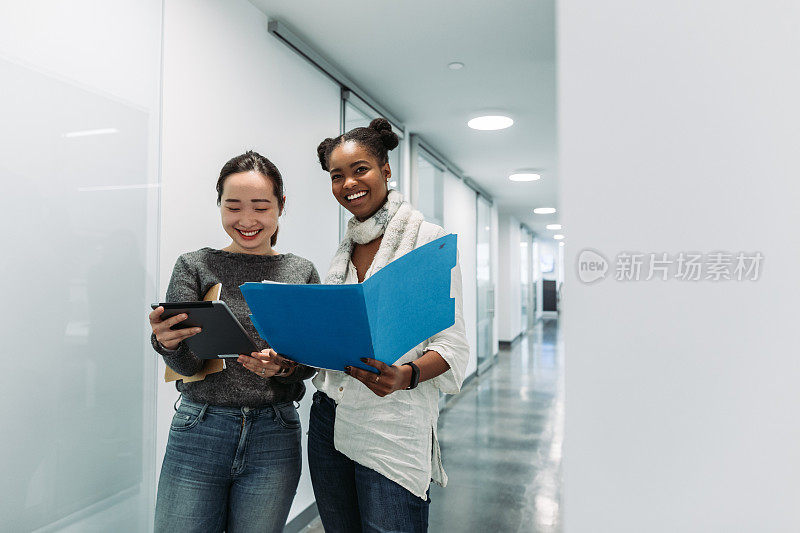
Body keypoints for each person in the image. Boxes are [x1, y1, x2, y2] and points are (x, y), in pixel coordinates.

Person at [309, 118, 469, 532]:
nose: (348, 184)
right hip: (329, 417)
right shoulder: (343, 252)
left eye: (359, 169)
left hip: (393, 422)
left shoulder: (427, 241)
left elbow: (453, 347)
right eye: (336, 175)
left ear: (385, 170)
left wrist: (407, 375)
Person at [149, 151, 318, 533]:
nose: (246, 220)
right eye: (233, 206)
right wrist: (167, 344)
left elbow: (309, 365)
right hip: (200, 428)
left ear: (281, 205)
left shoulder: (301, 271)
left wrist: (283, 369)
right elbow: (187, 367)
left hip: (274, 433)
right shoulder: (194, 265)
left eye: (260, 207)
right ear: (219, 205)